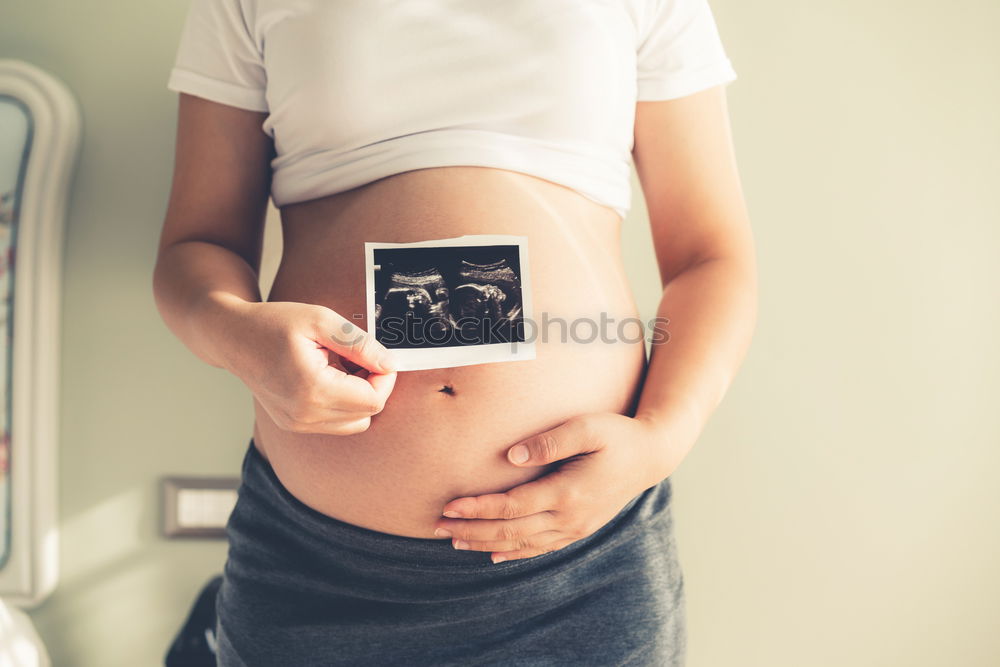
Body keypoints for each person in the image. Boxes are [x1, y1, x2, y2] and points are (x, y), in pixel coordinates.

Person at [152, 0, 757, 664]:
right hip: (317, 571)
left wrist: (660, 440)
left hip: (582, 568)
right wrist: (239, 335)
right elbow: (196, 246)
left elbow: (712, 258)